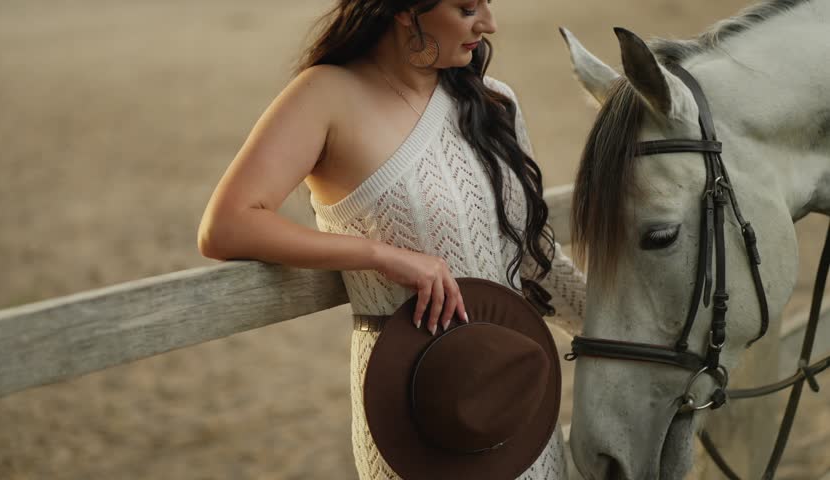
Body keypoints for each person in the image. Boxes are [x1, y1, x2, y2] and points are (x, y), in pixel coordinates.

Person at [197, 0, 587, 478]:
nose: (489, 24)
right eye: (467, 8)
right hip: (413, 408)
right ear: (404, 9)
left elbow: (533, 256)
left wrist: (625, 333)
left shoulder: (494, 102)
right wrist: (378, 255)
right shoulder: (325, 96)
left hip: (509, 396)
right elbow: (227, 225)